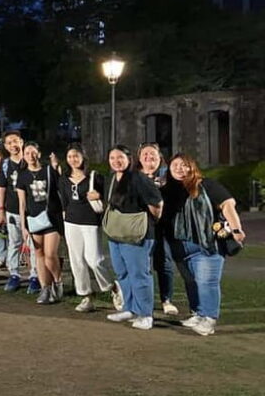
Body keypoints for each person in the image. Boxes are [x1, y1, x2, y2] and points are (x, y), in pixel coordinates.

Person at [162, 153, 246, 336]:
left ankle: (209, 319)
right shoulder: (167, 189)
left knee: (207, 282)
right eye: (174, 165)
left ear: (192, 167)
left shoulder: (206, 185)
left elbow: (228, 204)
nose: (179, 168)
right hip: (180, 246)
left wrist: (236, 228)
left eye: (184, 165)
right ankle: (198, 313)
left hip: (207, 244)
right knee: (191, 282)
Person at [104, 144, 163, 331]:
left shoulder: (138, 178)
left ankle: (145, 314)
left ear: (129, 159)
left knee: (139, 274)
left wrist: (150, 220)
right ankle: (130, 308)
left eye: (120, 157)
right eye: (112, 158)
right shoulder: (112, 179)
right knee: (122, 272)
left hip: (137, 234)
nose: (116, 161)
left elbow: (157, 203)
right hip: (116, 233)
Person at [58, 144, 122, 313]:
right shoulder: (63, 178)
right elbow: (64, 202)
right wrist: (65, 218)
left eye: (76, 156)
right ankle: (86, 296)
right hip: (71, 222)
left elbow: (108, 196)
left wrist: (98, 195)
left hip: (90, 222)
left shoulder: (95, 176)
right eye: (70, 156)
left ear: (83, 157)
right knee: (77, 260)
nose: (73, 159)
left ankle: (112, 287)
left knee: (94, 259)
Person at [17, 142, 63, 304]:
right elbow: (22, 203)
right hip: (34, 219)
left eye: (33, 152)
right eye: (27, 152)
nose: (30, 155)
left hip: (51, 217)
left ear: (39, 153)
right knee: (39, 255)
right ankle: (45, 288)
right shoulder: (22, 175)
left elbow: (60, 190)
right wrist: (23, 226)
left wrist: (57, 168)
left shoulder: (49, 170)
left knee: (50, 254)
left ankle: (57, 282)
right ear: (23, 155)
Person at [0, 131, 39, 294]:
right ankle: (14, 274)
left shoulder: (29, 159)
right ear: (5, 146)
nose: (13, 145)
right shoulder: (5, 164)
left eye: (15, 141)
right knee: (14, 242)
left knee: (33, 245)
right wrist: (1, 210)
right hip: (12, 210)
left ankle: (35, 275)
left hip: (32, 211)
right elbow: (1, 187)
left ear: (21, 142)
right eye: (9, 143)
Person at [137, 142, 177, 316]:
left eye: (152, 154)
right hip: (140, 228)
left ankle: (166, 299)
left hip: (162, 228)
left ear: (159, 157)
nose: (148, 157)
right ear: (139, 158)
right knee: (141, 265)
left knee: (164, 264)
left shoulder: (168, 177)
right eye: (144, 154)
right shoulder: (134, 177)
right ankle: (142, 300)